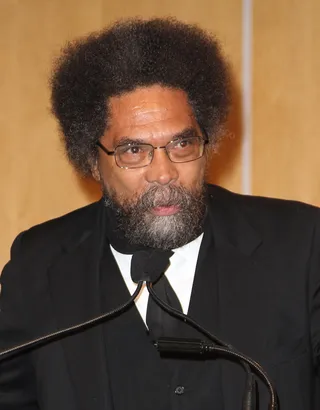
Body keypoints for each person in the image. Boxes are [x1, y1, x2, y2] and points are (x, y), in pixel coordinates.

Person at [0, 17, 319, 410]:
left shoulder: (301, 246)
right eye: (134, 151)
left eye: (182, 144)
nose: (164, 172)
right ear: (92, 161)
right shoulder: (39, 267)